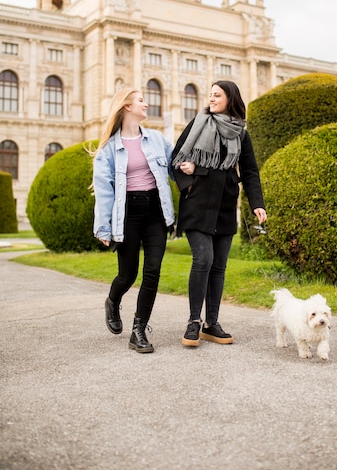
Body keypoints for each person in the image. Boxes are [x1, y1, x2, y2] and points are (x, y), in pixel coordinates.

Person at [172, 80, 267, 347]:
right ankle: (193, 322)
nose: (211, 99)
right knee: (203, 259)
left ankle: (211, 323)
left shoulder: (240, 134)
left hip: (225, 205)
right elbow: (175, 160)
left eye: (217, 95)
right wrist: (190, 174)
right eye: (210, 95)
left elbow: (249, 171)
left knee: (218, 266)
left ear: (230, 99)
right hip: (197, 203)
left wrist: (257, 203)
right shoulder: (197, 124)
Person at [92, 87, 175, 353]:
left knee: (153, 271)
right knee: (127, 274)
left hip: (155, 212)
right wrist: (103, 227)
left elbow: (175, 168)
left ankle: (138, 330)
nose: (146, 104)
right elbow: (104, 191)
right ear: (126, 106)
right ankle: (113, 301)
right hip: (127, 213)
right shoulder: (108, 150)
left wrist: (188, 168)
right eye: (140, 100)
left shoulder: (158, 139)